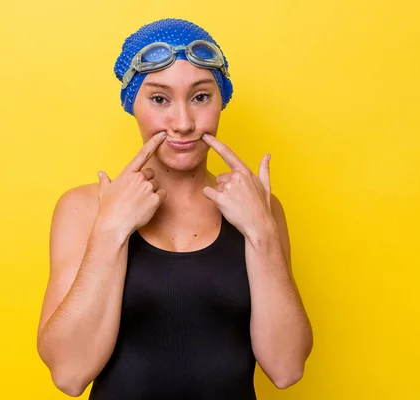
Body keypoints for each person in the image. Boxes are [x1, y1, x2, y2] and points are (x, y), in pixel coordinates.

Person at [36, 18, 313, 399]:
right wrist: (111, 232)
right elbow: (69, 374)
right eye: (159, 99)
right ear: (132, 104)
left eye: (200, 97)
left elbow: (286, 368)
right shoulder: (84, 209)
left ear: (221, 100)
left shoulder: (256, 206)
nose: (183, 123)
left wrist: (261, 233)